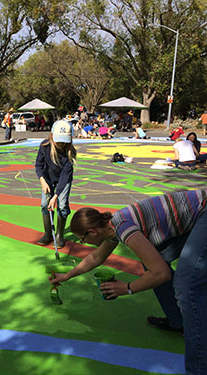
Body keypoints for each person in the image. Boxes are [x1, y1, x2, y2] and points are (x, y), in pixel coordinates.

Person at [52, 190, 207, 374]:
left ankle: (198, 370)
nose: (83, 242)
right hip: (194, 217)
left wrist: (127, 288)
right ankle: (178, 322)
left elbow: (161, 274)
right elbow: (95, 258)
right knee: (153, 261)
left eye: (82, 239)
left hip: (203, 211)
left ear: (92, 232)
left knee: (186, 284)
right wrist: (67, 276)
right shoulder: (110, 228)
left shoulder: (123, 228)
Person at [35, 120, 77, 248]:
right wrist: (42, 180)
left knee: (62, 205)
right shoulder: (45, 146)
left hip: (63, 182)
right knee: (44, 204)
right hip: (47, 180)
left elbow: (65, 176)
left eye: (64, 141)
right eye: (58, 140)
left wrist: (56, 195)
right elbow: (39, 165)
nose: (60, 144)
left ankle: (59, 235)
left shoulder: (70, 152)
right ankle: (48, 234)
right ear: (52, 136)